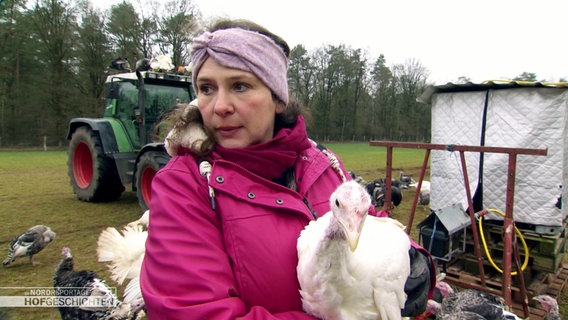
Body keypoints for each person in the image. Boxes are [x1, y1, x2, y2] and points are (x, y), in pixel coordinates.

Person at [140, 18, 435, 319]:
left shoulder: (321, 162)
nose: (220, 106)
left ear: (278, 98)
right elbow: (194, 312)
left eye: (239, 86)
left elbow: (366, 224)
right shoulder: (184, 186)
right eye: (206, 88)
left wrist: (413, 256)